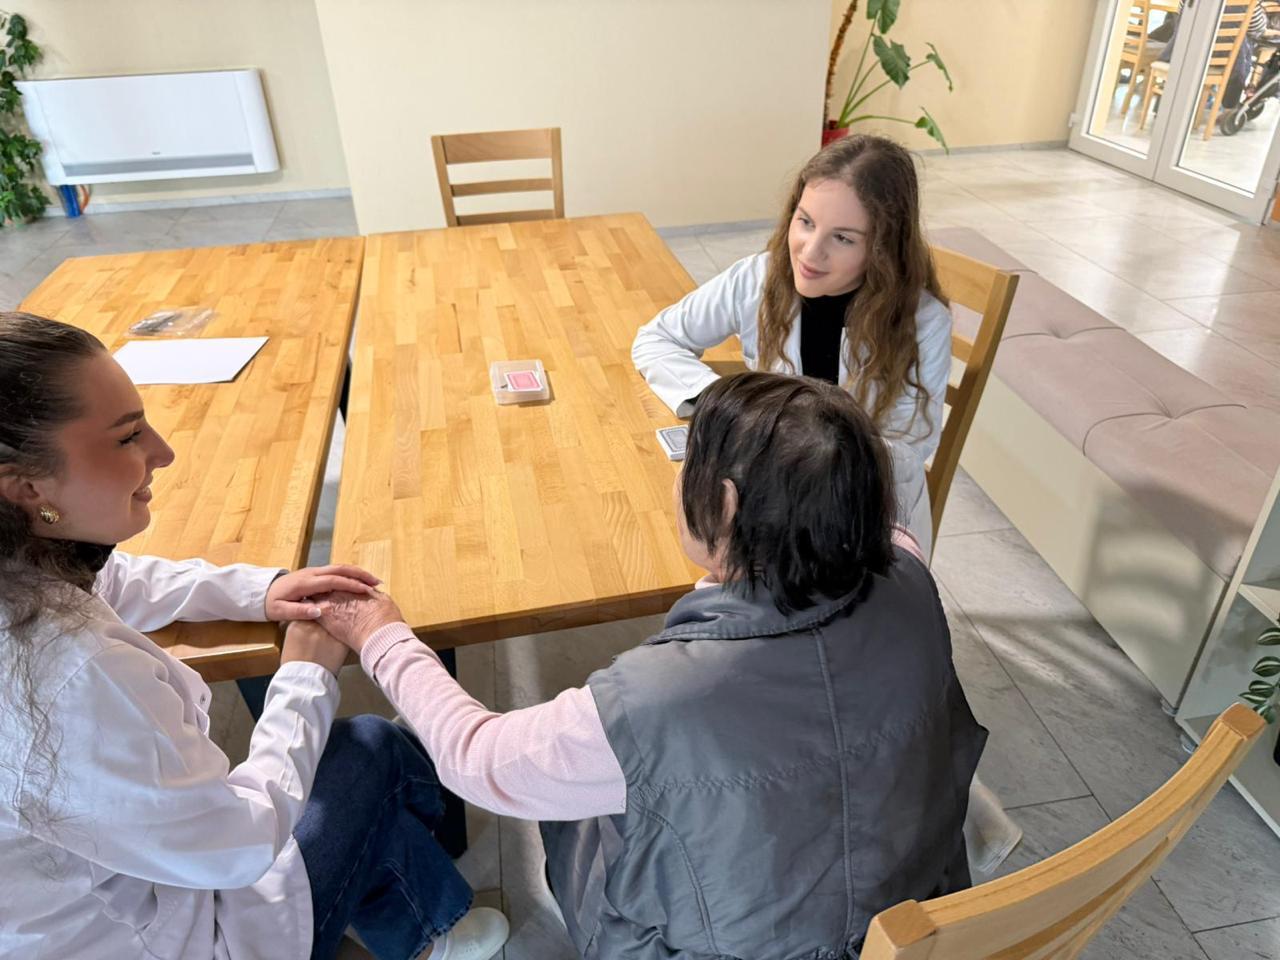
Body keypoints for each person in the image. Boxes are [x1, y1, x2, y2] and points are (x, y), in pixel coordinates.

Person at [314, 372, 988, 959]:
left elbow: (477, 758)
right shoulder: (911, 578)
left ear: (723, 505)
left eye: (685, 461)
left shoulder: (653, 699)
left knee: (589, 810)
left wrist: (382, 634)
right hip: (909, 909)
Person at [0, 312, 508, 960]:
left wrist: (259, 589)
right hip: (175, 933)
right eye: (128, 438)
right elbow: (238, 845)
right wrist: (305, 676)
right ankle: (433, 925)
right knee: (375, 748)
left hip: (121, 888)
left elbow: (108, 577)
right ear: (26, 488)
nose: (162, 451)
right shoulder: (71, 676)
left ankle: (422, 918)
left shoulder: (23, 559)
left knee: (351, 764)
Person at [631, 134, 949, 557]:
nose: (810, 253)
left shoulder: (922, 322)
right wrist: (725, 405)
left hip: (861, 515)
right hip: (768, 494)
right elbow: (656, 338)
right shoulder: (758, 279)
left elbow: (907, 451)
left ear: (883, 248)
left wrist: (796, 451)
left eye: (843, 238)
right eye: (805, 222)